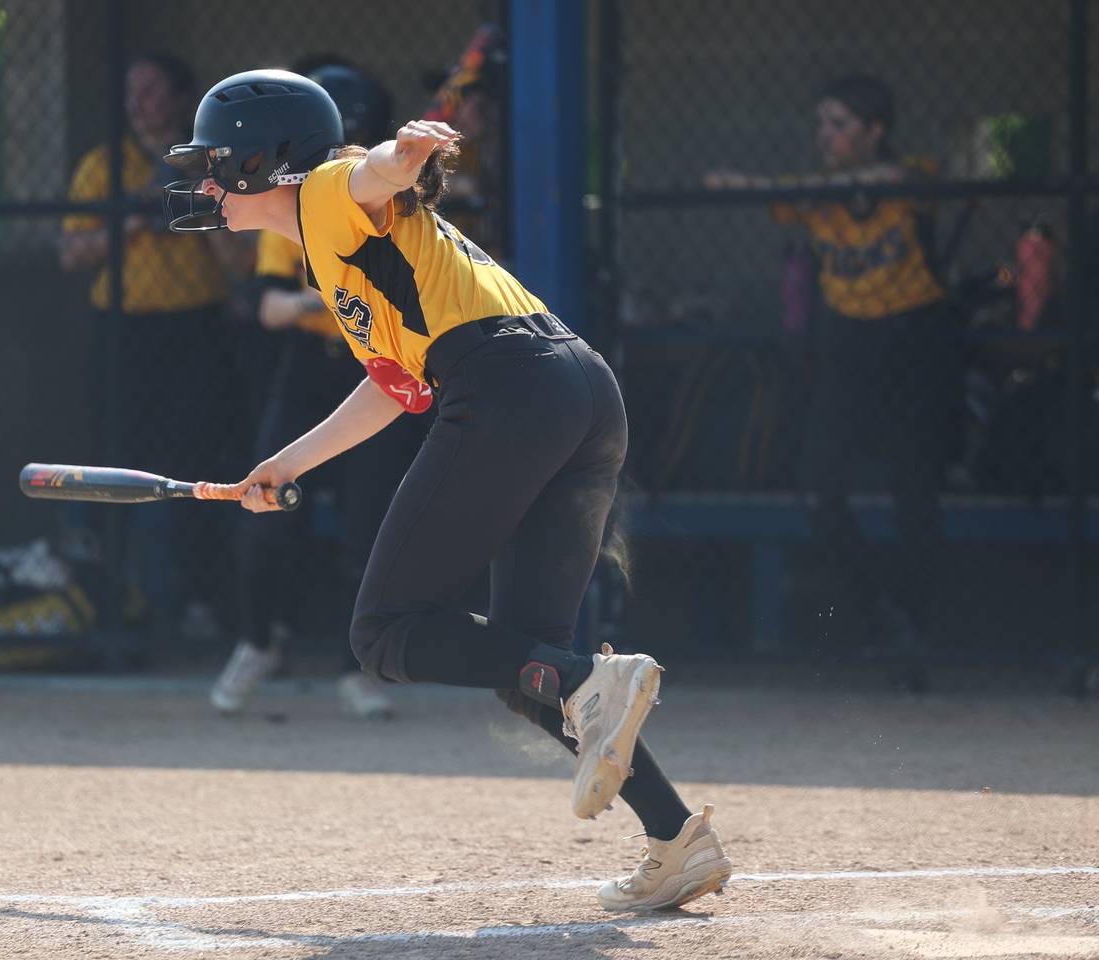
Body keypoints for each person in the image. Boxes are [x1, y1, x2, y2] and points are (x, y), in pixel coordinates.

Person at [165, 69, 731, 912]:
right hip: (575, 390)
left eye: (219, 162)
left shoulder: (325, 192)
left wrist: (406, 151)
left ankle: (595, 687)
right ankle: (677, 839)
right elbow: (394, 386)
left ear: (268, 159)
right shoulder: (336, 250)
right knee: (532, 666)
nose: (207, 181)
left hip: (507, 388)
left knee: (385, 632)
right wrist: (285, 464)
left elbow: (369, 171)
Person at [706, 75, 961, 654]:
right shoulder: (815, 191)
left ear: (876, 131)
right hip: (848, 342)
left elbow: (915, 183)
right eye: (821, 123)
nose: (826, 135)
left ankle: (913, 621)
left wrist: (835, 185)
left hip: (913, 337)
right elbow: (736, 187)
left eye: (840, 125)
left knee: (914, 485)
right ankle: (876, 608)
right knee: (818, 481)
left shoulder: (905, 174)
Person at [210, 64, 421, 720]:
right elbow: (271, 305)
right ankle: (256, 640)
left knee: (369, 530)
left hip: (381, 369)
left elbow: (376, 179)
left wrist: (328, 300)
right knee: (263, 516)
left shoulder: (368, 195)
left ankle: (354, 667)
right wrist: (330, 299)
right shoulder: (296, 212)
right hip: (312, 371)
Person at [59, 55, 251, 645]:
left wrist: (199, 205)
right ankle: (110, 601)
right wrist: (140, 213)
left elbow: (241, 265)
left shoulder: (213, 163)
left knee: (197, 463)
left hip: (194, 331)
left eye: (150, 91)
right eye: (130, 91)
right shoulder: (104, 164)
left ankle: (198, 598)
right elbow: (72, 254)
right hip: (122, 329)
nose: (137, 103)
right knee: (111, 453)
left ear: (181, 99)